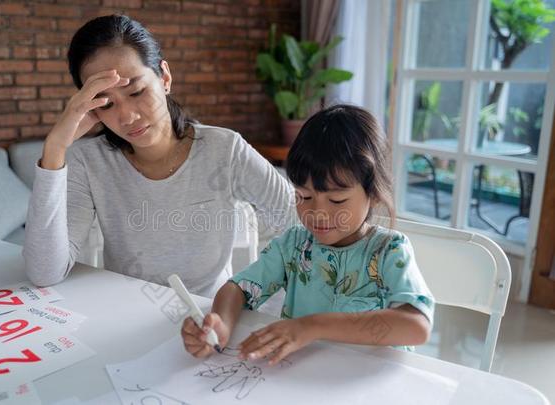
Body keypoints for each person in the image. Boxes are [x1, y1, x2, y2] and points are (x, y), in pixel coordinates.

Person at [23, 14, 294, 297]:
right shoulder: (88, 161)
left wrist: (247, 291)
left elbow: (300, 223)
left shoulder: (224, 150)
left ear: (164, 77)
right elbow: (45, 273)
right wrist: (55, 147)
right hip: (128, 313)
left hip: (210, 315)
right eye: (106, 103)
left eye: (137, 91)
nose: (127, 116)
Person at [181, 104, 434, 363]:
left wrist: (312, 326)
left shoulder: (388, 251)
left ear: (372, 193)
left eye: (336, 200)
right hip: (301, 379)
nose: (318, 213)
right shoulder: (294, 246)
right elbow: (238, 289)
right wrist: (221, 323)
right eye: (305, 196)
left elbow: (416, 326)